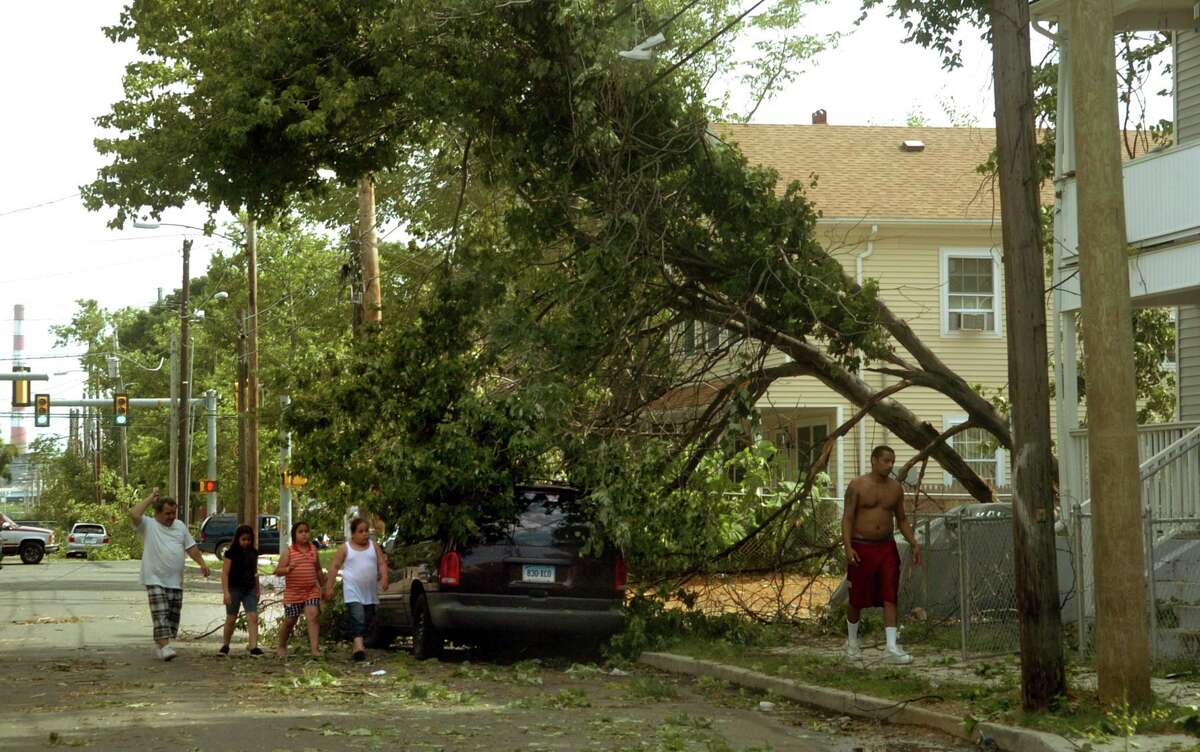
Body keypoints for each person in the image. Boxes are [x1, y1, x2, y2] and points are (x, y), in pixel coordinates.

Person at [841, 445, 922, 665]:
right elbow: (847, 517)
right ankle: (852, 643)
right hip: (861, 545)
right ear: (874, 460)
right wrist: (848, 547)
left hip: (886, 547)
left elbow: (902, 519)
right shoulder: (858, 485)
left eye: (892, 461)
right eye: (886, 460)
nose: (889, 465)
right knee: (857, 597)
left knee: (889, 595)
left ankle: (891, 647)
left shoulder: (895, 488)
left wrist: (914, 541)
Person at [128, 488, 210, 661]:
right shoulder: (148, 525)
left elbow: (191, 548)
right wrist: (150, 498)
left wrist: (202, 563)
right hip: (154, 578)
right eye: (167, 513)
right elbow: (134, 514)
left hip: (174, 580)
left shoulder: (180, 526)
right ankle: (165, 646)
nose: (171, 516)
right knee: (160, 613)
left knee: (172, 617)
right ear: (157, 513)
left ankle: (161, 645)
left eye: (174, 513)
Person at [324, 517, 389, 661]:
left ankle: (356, 643)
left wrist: (384, 578)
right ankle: (359, 646)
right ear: (353, 534)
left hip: (369, 591)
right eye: (361, 531)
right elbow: (335, 567)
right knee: (357, 615)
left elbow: (382, 563)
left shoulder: (374, 547)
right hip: (352, 589)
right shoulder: (345, 548)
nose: (365, 534)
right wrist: (329, 587)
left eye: (366, 531)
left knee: (368, 617)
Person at [274, 520, 325, 659]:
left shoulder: (313, 550)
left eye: (306, 531)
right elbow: (277, 571)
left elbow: (318, 570)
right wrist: (288, 569)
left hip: (311, 590)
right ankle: (282, 645)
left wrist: (324, 587)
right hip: (293, 593)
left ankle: (315, 649)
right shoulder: (289, 552)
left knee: (313, 616)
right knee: (290, 620)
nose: (304, 535)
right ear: (294, 535)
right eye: (300, 532)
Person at [219, 524, 263, 657]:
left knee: (253, 616)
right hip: (234, 588)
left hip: (249, 588)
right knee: (231, 618)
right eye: (243, 539)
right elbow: (225, 573)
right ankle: (225, 645)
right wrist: (226, 592)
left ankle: (254, 646)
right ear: (238, 539)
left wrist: (257, 588)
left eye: (248, 540)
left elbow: (255, 572)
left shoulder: (253, 553)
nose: (246, 542)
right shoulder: (230, 553)